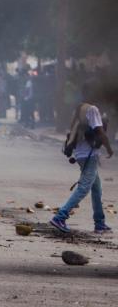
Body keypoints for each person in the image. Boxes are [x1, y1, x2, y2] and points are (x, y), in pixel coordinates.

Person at [50, 93, 114, 234]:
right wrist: (109, 148)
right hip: (88, 154)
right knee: (84, 187)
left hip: (81, 153)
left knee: (96, 188)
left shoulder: (80, 108)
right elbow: (100, 131)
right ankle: (60, 217)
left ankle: (100, 223)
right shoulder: (92, 109)